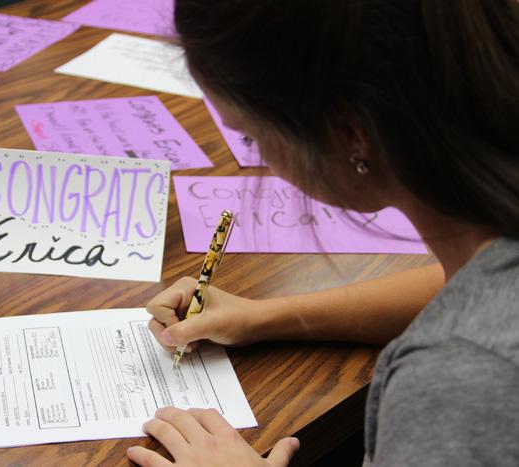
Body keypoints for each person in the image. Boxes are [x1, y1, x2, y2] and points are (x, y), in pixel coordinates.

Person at [126, 0, 519, 465]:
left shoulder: (458, 383)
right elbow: (464, 287)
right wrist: (264, 318)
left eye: (250, 136)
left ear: (349, 133)